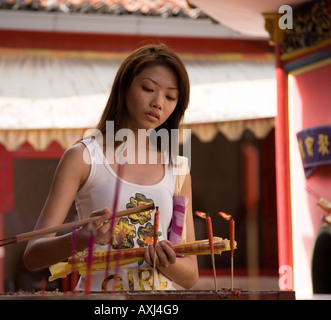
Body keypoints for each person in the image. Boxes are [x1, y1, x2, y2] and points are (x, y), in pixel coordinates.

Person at [23, 44, 199, 291]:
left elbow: (191, 275)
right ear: (124, 86)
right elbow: (32, 256)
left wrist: (166, 261)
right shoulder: (84, 157)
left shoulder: (177, 168)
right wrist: (82, 238)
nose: (158, 103)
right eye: (148, 88)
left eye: (170, 97)